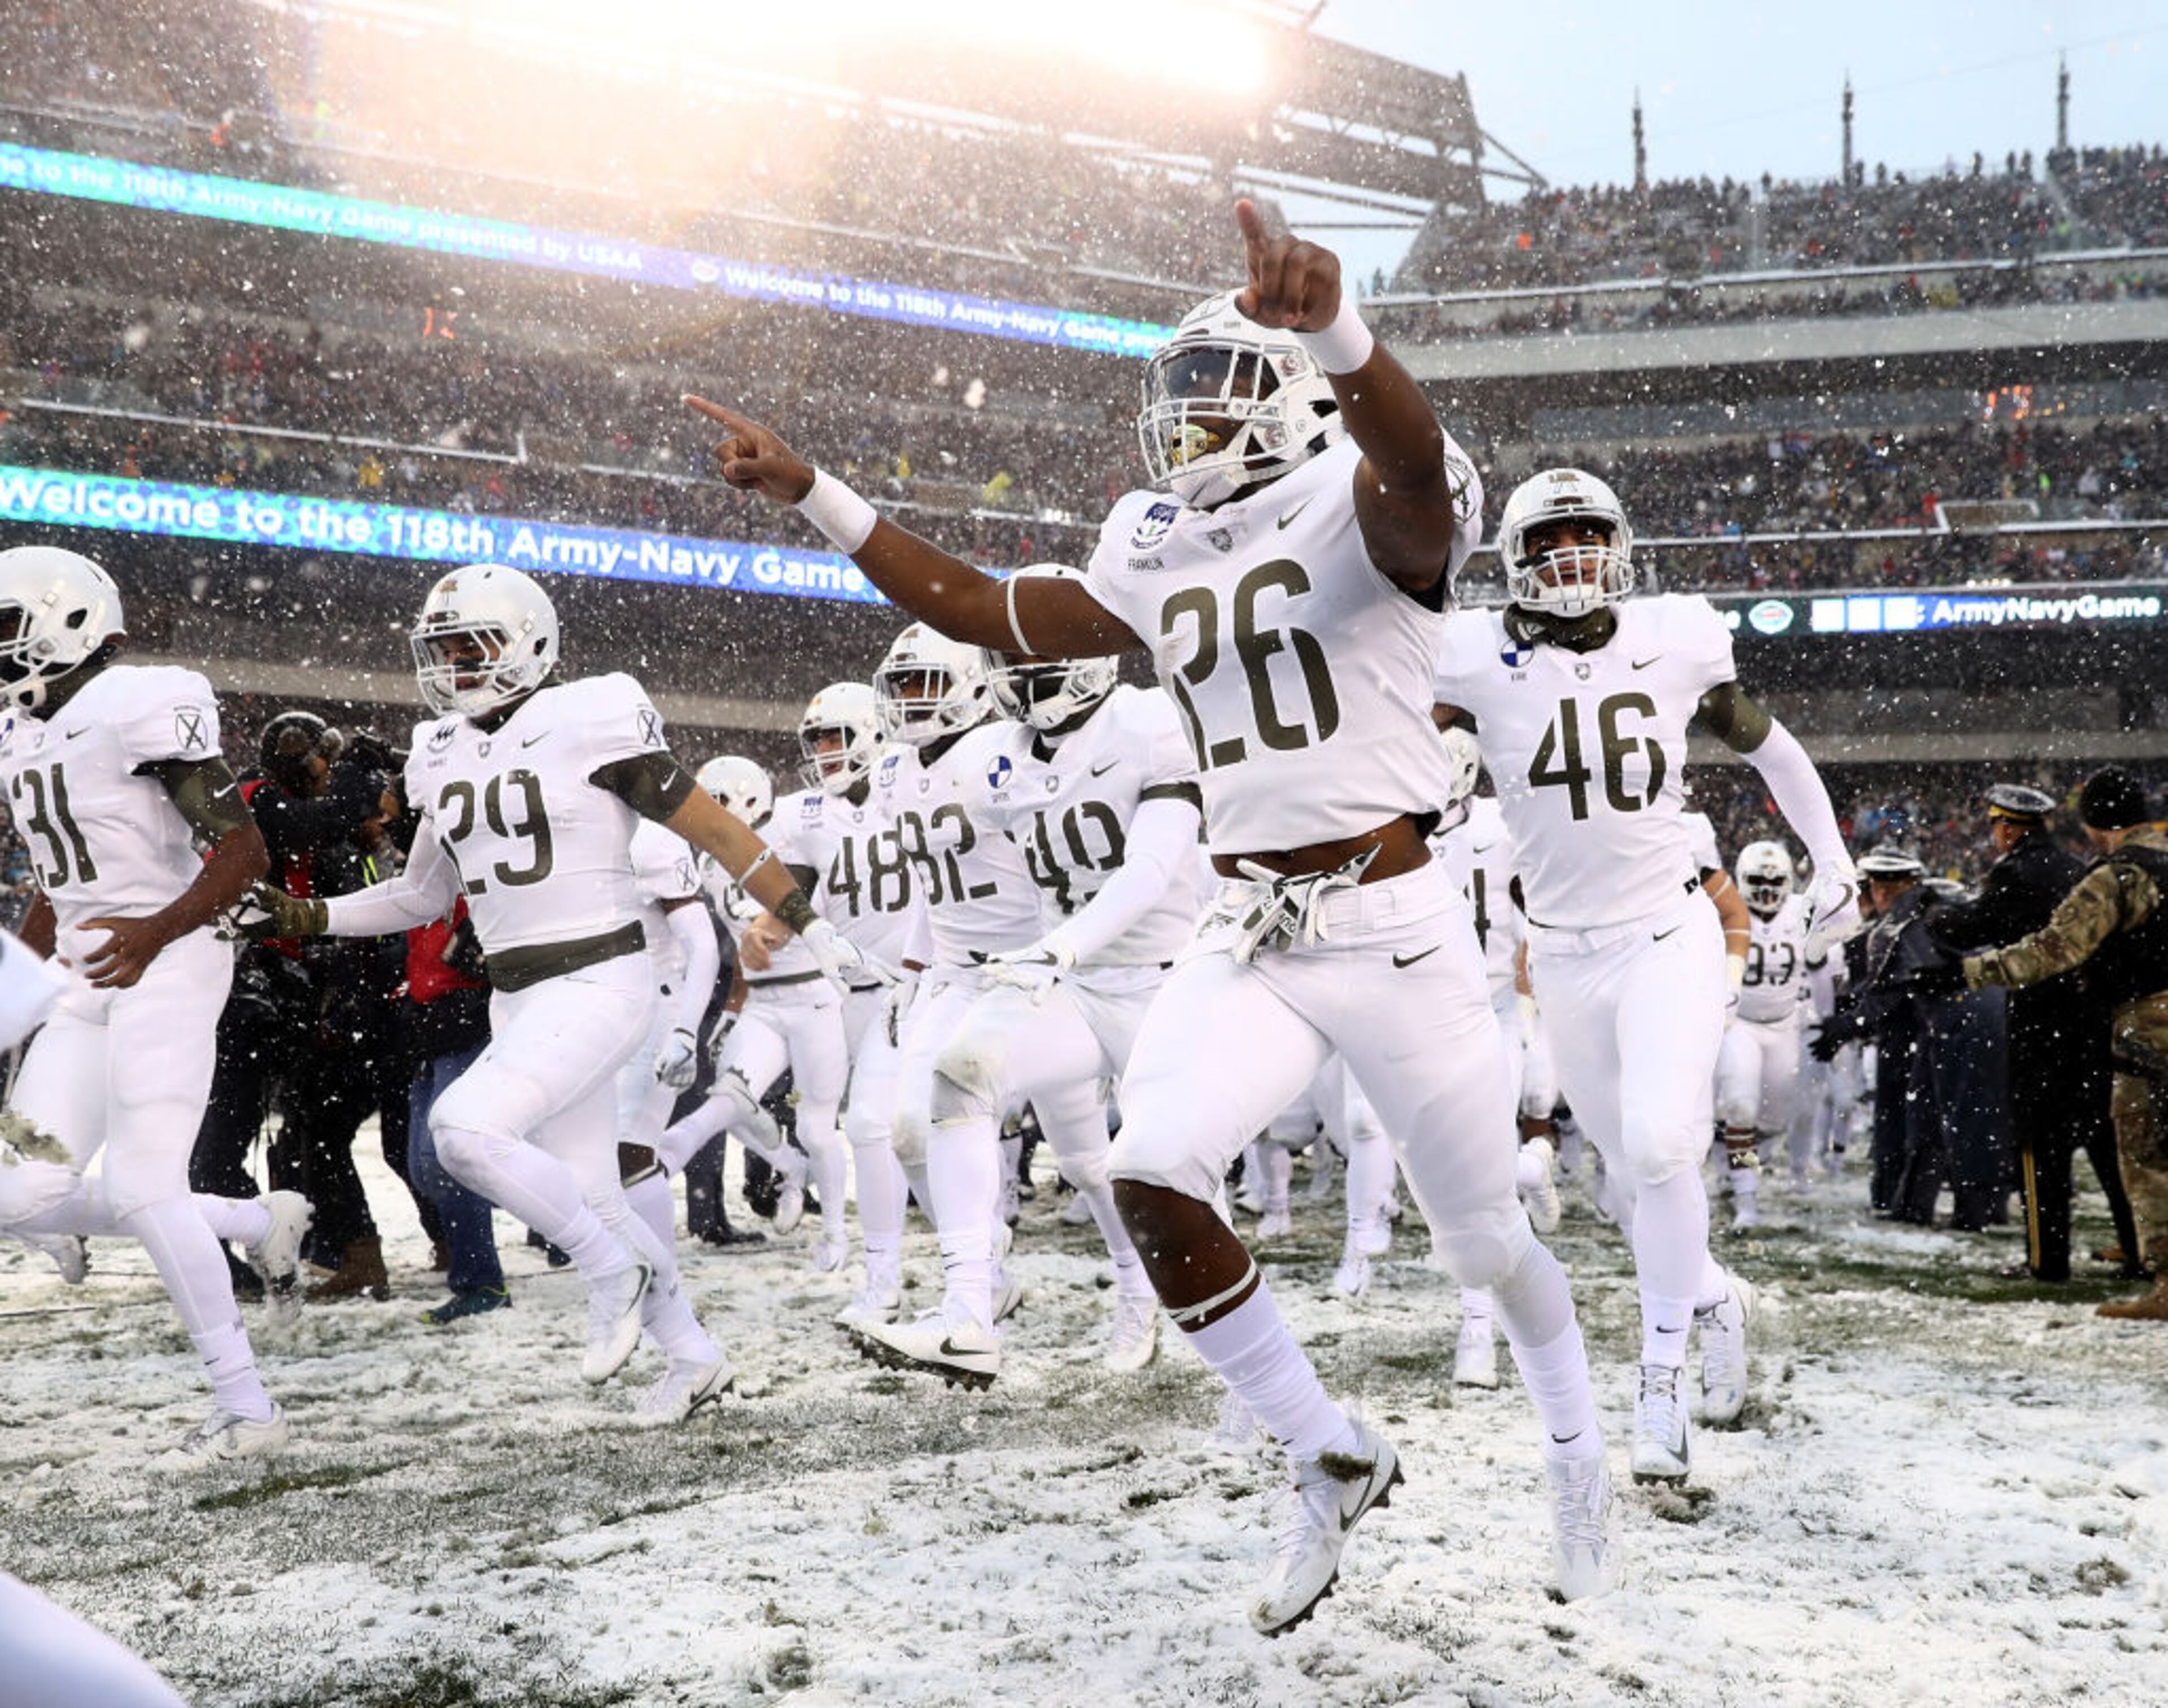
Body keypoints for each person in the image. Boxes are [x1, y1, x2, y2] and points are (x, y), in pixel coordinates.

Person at [687, 197, 1615, 1630]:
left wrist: (1342, 331)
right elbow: (982, 607)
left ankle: (1573, 1443)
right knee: (1151, 1172)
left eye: (1218, 394)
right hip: (1247, 930)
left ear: (1293, 396)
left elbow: (1418, 474)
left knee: (1482, 1243)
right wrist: (817, 492)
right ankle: (1325, 1447)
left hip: (1393, 920)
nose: (1184, 427)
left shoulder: (1361, 495)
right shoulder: (1159, 536)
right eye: (1175, 400)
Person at [246, 562, 869, 1420]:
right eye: (444, 649)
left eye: (475, 646)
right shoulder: (440, 749)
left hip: (603, 975)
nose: (457, 666)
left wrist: (802, 915)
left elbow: (715, 827)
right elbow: (420, 894)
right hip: (518, 994)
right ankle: (692, 1355)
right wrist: (302, 913)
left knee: (462, 1131)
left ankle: (613, 1267)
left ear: (530, 642)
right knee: (598, 1191)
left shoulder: (590, 713)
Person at [1432, 466, 1862, 1481]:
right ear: (1515, 561)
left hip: (1668, 934)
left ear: (1621, 546)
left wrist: (1834, 860)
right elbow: (1409, 756)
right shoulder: (1472, 656)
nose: (1573, 557)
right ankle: (1713, 1298)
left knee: (1667, 1147)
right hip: (1567, 955)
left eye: (1590, 535)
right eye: (1551, 541)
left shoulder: (1673, 638)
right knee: (1635, 1178)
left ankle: (1658, 1387)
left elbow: (1774, 751)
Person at [858, 566, 1204, 1382]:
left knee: (1168, 1168)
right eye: (1008, 653)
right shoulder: (993, 754)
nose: (1018, 668)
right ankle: (970, 1311)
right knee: (959, 1077)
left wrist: (1060, 946)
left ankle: (1165, 1307)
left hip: (1161, 978)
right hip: (1070, 984)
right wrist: (932, 967)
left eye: (1034, 649)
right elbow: (961, 872)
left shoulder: (1147, 721)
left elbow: (1152, 868)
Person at [0, 544, 304, 1468]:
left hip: (172, 963)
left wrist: (157, 931)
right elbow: (63, 882)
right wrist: (23, 976)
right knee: (20, 1191)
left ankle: (248, 1409)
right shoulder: (21, 731)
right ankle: (259, 1223)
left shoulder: (136, 704)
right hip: (95, 973)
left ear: (70, 623)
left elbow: (243, 852)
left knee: (142, 1186)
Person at [1921, 768, 2168, 1319]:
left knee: (2122, 1153)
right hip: (2102, 1027)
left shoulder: (2113, 874)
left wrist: (1966, 971)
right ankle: (2136, 1249)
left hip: (2122, 1024)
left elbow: (2052, 949)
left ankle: (2118, 1272)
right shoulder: (2112, 864)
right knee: (2118, 1143)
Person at [1712, 840, 1820, 1227]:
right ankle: (1746, 1201)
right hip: (1740, 1022)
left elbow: (1830, 951)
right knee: (1741, 1107)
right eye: (1757, 880)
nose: (1767, 888)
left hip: (1785, 1025)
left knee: (1774, 1119)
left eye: (1776, 880)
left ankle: (1738, 1169)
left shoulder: (1803, 910)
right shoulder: (1727, 912)